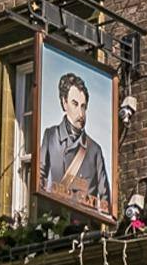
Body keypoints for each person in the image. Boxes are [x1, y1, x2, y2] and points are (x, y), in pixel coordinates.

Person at [37, 71, 113, 214]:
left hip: (87, 228)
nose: (81, 114)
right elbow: (39, 178)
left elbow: (105, 200)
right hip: (57, 223)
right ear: (64, 103)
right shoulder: (51, 136)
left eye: (83, 106)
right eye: (75, 104)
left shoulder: (95, 149)